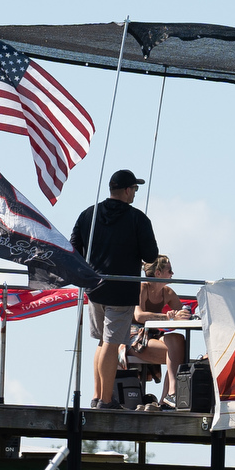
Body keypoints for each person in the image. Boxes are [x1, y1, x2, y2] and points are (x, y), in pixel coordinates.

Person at [70, 168, 159, 408]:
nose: (135, 195)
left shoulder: (87, 214)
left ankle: (98, 396)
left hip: (94, 288)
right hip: (122, 289)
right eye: (135, 190)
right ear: (128, 190)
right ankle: (107, 400)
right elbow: (151, 256)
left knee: (101, 342)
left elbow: (73, 249)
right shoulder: (138, 219)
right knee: (110, 343)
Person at [134, 255, 192, 407]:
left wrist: (183, 315)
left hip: (153, 335)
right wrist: (168, 318)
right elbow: (138, 315)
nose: (172, 273)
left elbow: (184, 313)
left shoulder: (168, 292)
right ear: (158, 273)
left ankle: (168, 397)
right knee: (177, 351)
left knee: (178, 340)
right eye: (169, 270)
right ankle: (170, 395)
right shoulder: (142, 287)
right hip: (134, 337)